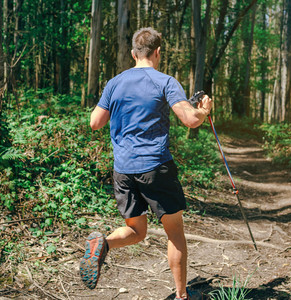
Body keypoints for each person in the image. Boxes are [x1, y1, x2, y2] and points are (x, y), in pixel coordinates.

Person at [79, 27, 212, 300]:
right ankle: (181, 296)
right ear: (158, 52)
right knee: (174, 233)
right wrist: (203, 110)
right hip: (155, 167)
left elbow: (94, 123)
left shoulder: (115, 82)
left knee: (137, 231)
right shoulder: (165, 81)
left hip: (123, 170)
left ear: (133, 53)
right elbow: (190, 119)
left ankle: (102, 243)